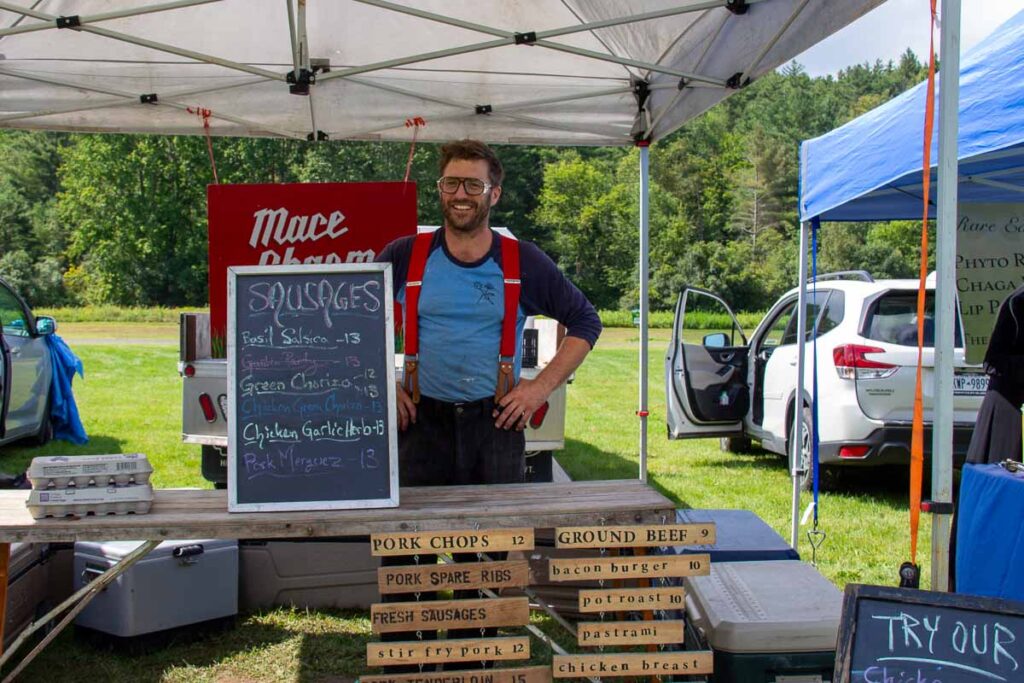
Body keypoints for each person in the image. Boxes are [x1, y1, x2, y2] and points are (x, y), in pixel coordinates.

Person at [377, 139, 601, 487]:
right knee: (417, 538)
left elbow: (586, 321)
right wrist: (382, 383)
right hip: (421, 424)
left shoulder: (522, 260)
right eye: (450, 183)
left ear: (494, 194)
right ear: (440, 189)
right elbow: (355, 323)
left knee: (496, 536)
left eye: (474, 185)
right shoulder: (405, 254)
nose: (460, 194)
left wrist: (539, 388)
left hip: (495, 424)